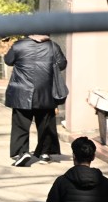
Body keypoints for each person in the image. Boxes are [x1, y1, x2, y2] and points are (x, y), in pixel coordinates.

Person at [4, 34, 67, 166]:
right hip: (46, 92)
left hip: (22, 93)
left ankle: (22, 152)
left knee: (20, 125)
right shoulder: (53, 46)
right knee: (45, 124)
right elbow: (62, 64)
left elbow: (8, 60)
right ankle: (45, 153)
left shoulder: (19, 45)